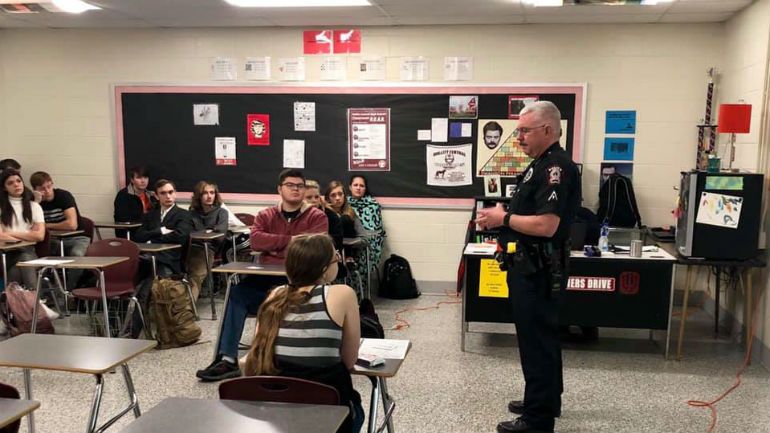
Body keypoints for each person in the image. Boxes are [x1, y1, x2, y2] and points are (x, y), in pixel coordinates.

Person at [475, 101, 580, 433]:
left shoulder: (556, 168)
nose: (518, 137)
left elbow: (547, 225)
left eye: (524, 130)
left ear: (547, 130)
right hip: (530, 266)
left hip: (540, 269)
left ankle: (537, 420)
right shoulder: (541, 163)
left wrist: (502, 217)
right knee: (539, 339)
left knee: (537, 342)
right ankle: (545, 399)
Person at [196, 169, 328, 382]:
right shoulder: (265, 215)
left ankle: (285, 359)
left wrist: (275, 246)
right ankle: (228, 360)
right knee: (237, 293)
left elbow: (314, 249)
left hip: (301, 283)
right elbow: (256, 242)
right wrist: (293, 241)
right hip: (266, 281)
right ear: (280, 189)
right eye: (290, 185)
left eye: (300, 186)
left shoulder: (317, 217)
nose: (296, 189)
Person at [243, 234, 364, 433]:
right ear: (325, 267)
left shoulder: (274, 297)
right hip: (328, 414)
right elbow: (349, 361)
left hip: (276, 416)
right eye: (336, 257)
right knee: (356, 409)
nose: (339, 261)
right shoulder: (342, 293)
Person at [131, 179, 193, 337]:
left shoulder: (183, 215)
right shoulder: (150, 215)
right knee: (127, 286)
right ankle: (118, 327)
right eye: (163, 193)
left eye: (170, 192)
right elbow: (138, 236)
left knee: (144, 292)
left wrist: (151, 238)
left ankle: (131, 334)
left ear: (175, 193)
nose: (168, 196)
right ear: (157, 196)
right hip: (145, 259)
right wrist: (160, 231)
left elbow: (179, 237)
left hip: (167, 262)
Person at [29, 171, 89, 289]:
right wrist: (35, 203)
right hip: (51, 240)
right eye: (42, 188)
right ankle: (44, 292)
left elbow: (72, 225)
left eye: (49, 186)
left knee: (77, 255)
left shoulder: (63, 196)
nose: (47, 191)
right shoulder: (33, 202)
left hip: (76, 238)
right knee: (31, 255)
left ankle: (70, 291)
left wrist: (45, 226)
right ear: (35, 190)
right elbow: (30, 226)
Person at [0, 169, 45, 288]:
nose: (16, 184)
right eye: (10, 183)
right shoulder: (1, 207)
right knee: (24, 264)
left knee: (19, 267)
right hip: (5, 254)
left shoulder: (34, 206)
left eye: (18, 181)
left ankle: (31, 302)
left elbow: (40, 236)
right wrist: (27, 234)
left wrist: (9, 232)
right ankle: (36, 303)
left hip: (27, 251)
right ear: (4, 188)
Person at [187, 180, 229, 300]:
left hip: (207, 250)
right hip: (189, 248)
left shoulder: (221, 212)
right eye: (205, 193)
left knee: (194, 276)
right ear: (199, 196)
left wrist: (202, 233)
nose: (209, 196)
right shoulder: (191, 213)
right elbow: (187, 232)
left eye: (212, 192)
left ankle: (186, 312)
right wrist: (208, 230)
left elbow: (220, 233)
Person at [347, 174, 386, 268]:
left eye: (361, 186)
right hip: (349, 242)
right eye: (355, 185)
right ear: (350, 187)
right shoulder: (344, 204)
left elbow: (377, 230)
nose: (358, 188)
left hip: (368, 244)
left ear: (365, 188)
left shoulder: (373, 205)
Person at [113, 166, 157, 238]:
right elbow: (123, 219)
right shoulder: (123, 195)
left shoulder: (151, 195)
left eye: (145, 178)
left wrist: (158, 202)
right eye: (139, 178)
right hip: (132, 233)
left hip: (148, 231)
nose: (143, 181)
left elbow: (157, 215)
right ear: (132, 180)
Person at [305, 180, 343, 252]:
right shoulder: (295, 214)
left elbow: (337, 243)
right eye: (309, 197)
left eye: (316, 197)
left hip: (324, 254)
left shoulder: (331, 215)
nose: (314, 200)